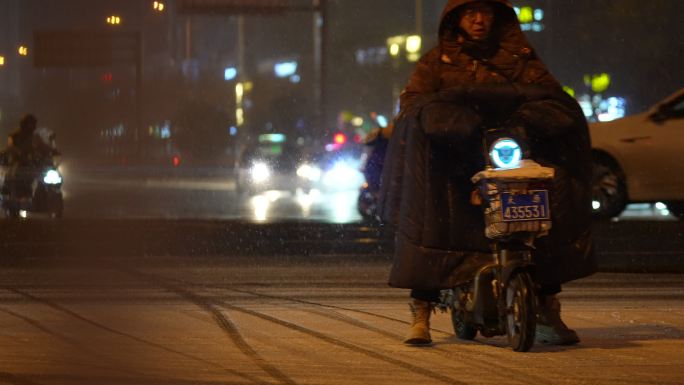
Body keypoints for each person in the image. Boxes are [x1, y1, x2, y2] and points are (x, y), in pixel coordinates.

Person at [378, 0, 596, 346]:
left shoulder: (520, 58)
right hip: (454, 161)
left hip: (508, 154)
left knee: (542, 214)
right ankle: (421, 310)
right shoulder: (437, 62)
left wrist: (528, 123)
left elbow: (552, 98)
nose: (478, 20)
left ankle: (547, 306)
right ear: (456, 19)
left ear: (498, 18)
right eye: (469, 13)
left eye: (486, 12)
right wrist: (453, 124)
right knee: (432, 215)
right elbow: (413, 107)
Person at [1, 114, 55, 198]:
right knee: (11, 174)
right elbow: (10, 148)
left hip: (34, 163)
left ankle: (43, 195)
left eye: (32, 124)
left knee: (47, 175)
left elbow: (43, 147)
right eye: (28, 124)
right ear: (23, 124)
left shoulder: (35, 137)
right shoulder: (14, 136)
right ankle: (8, 192)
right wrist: (16, 153)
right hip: (19, 163)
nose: (30, 126)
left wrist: (53, 151)